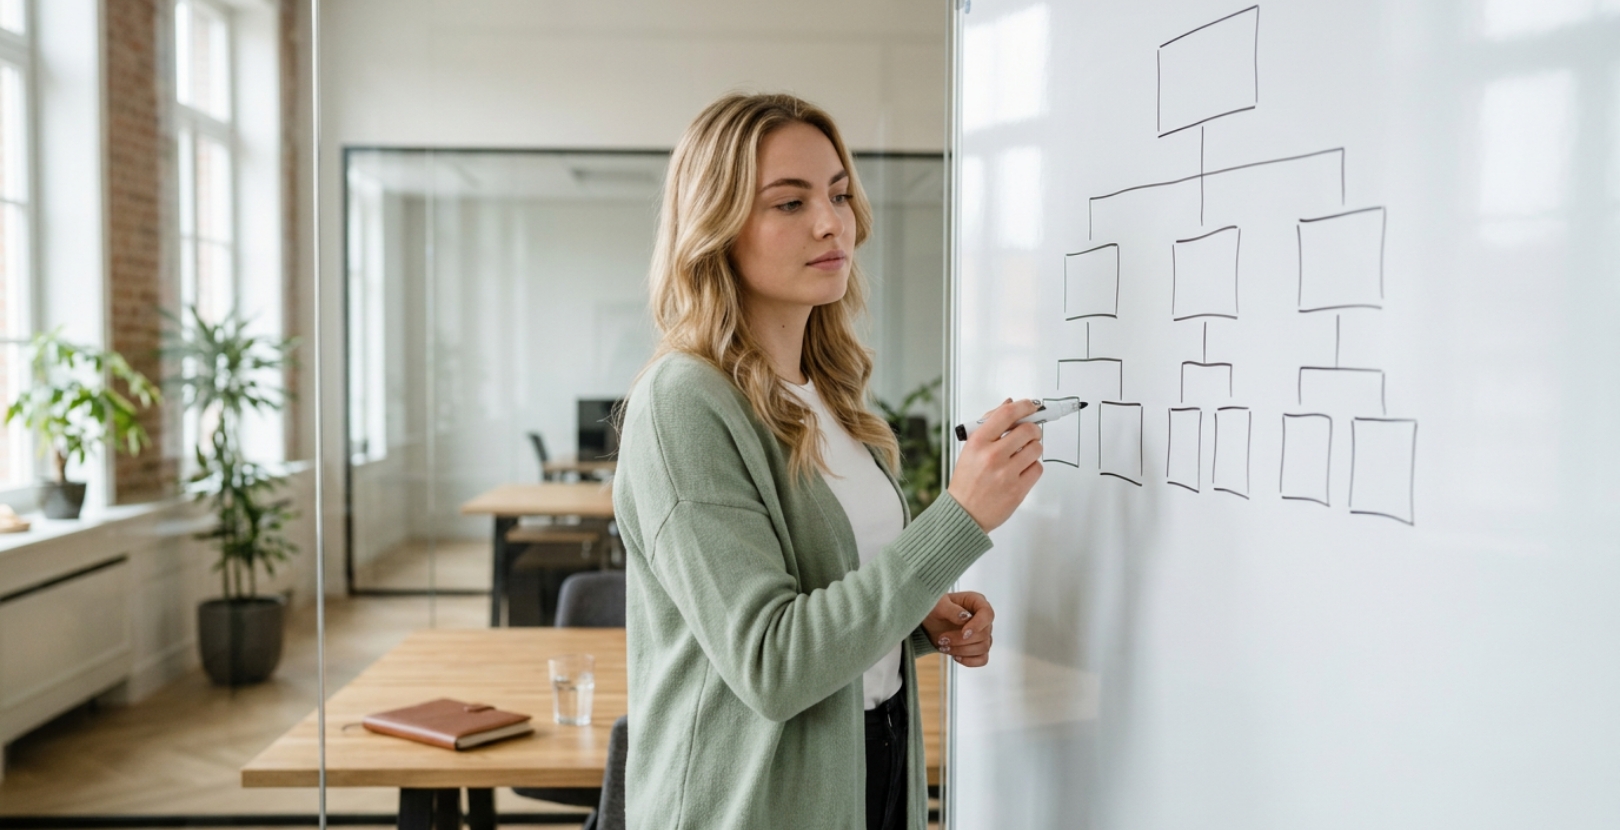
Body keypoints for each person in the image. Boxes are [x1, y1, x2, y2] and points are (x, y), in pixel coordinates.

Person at [612, 92, 1043, 830]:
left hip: (873, 767)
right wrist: (959, 518)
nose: (831, 222)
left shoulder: (832, 396)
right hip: (752, 807)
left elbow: (824, 594)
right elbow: (771, 665)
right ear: (716, 226)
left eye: (839, 194)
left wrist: (917, 621)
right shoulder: (683, 402)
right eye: (790, 203)